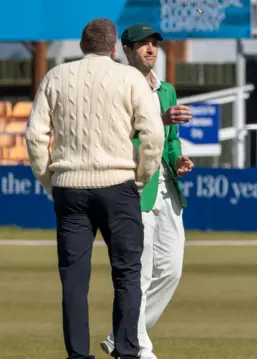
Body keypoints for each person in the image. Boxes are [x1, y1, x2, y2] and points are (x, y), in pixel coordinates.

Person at [25, 18, 165, 359]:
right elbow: (154, 135)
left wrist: (51, 181)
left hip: (70, 188)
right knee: (128, 274)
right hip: (118, 185)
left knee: (73, 280)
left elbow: (34, 136)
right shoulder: (130, 77)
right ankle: (128, 351)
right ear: (115, 48)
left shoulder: (56, 76)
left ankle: (78, 355)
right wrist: (141, 179)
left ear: (81, 46)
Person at [97, 24, 195, 359]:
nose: (151, 49)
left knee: (171, 270)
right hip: (134, 189)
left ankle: (119, 336)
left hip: (167, 190)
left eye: (154, 44)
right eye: (142, 44)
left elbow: (170, 142)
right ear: (126, 49)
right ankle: (139, 347)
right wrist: (160, 119)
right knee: (138, 272)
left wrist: (178, 159)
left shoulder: (166, 89)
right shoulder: (115, 88)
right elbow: (115, 139)